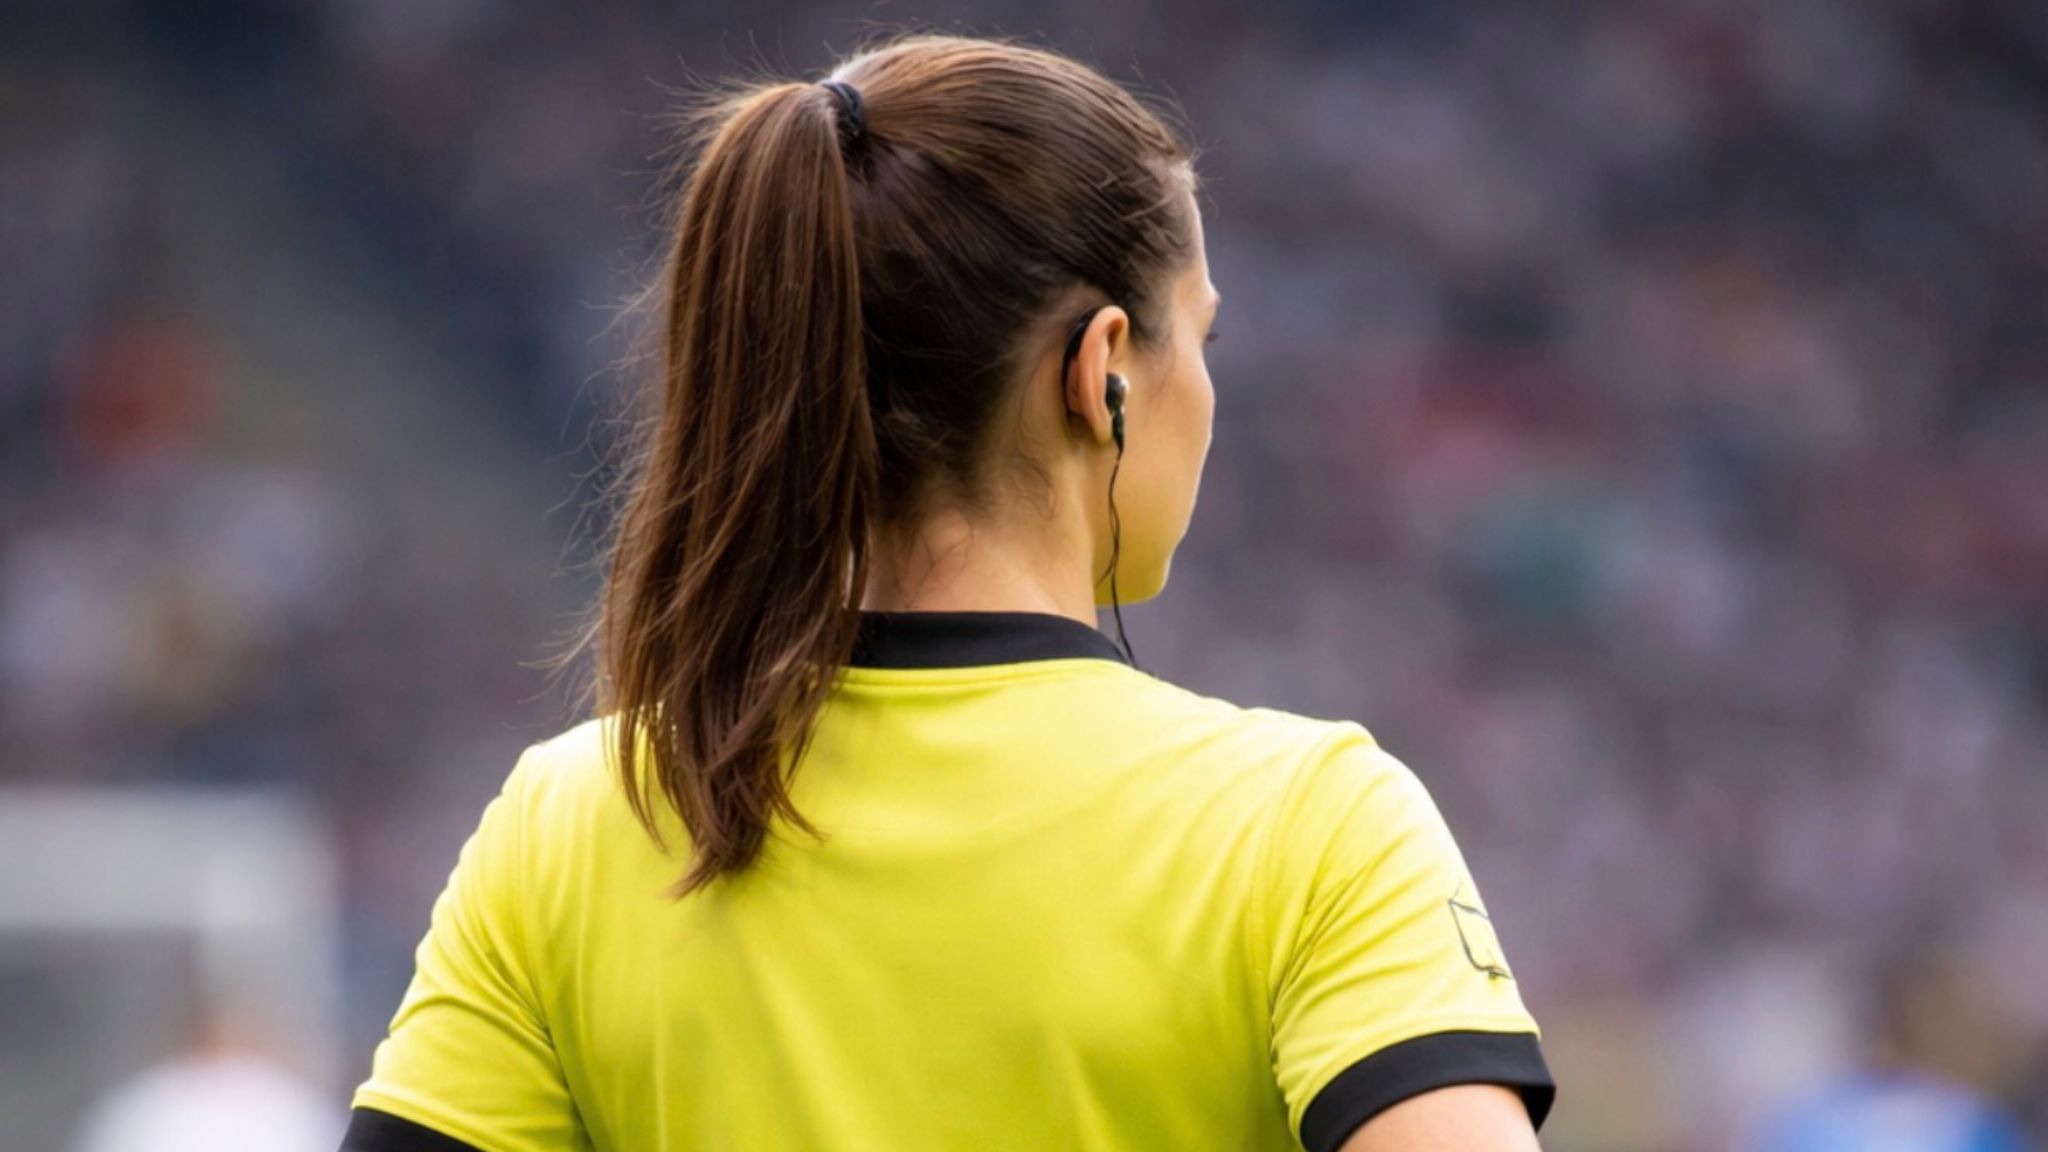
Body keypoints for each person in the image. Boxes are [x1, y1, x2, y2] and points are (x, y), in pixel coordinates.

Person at [342, 33, 1554, 1152]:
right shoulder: (1310, 826)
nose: (1207, 390)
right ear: (1100, 370)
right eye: (1200, 337)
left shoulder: (572, 825)